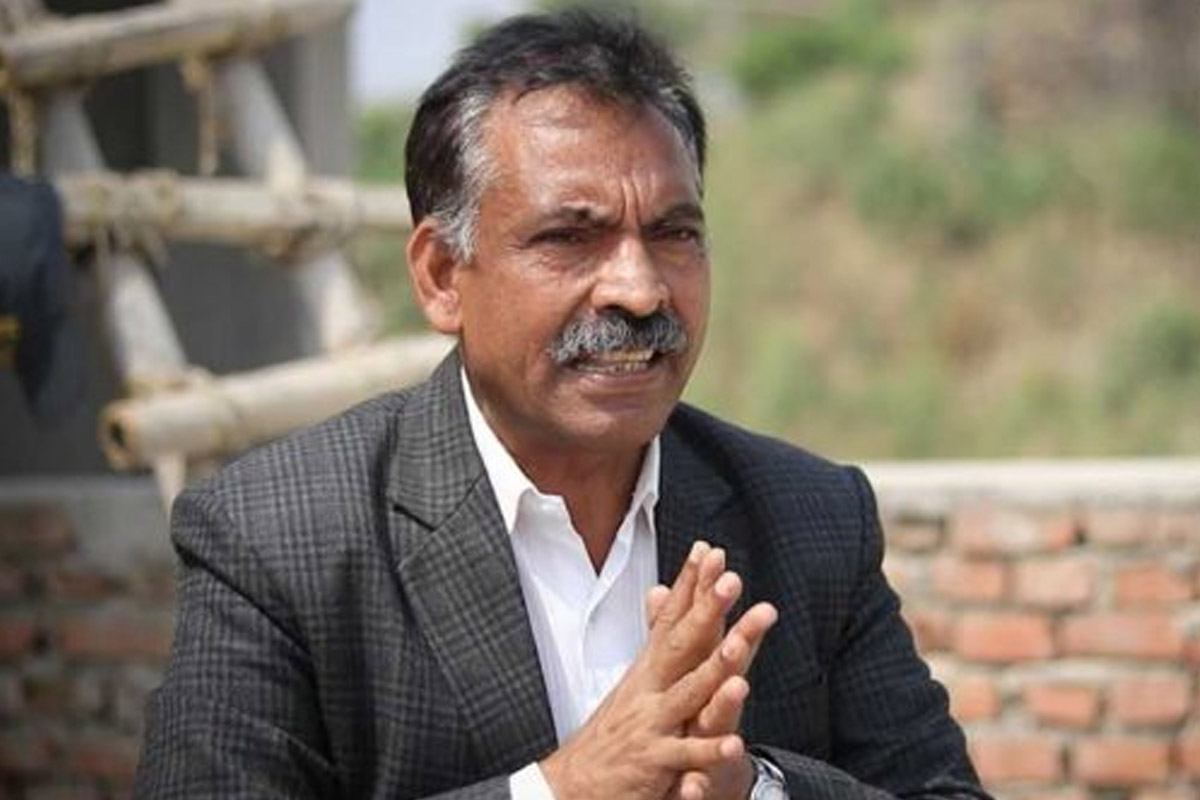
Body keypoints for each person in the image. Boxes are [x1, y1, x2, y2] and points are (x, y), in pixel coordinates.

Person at [135, 10, 991, 800]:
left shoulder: (811, 519)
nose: (639, 289)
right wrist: (561, 790)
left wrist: (753, 788)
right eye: (570, 238)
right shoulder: (275, 540)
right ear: (441, 276)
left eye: (674, 233)